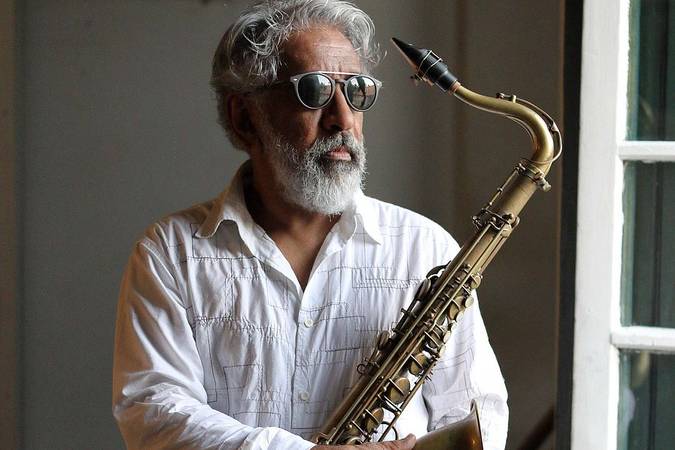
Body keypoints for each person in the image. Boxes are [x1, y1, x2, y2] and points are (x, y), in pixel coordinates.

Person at [112, 1, 508, 449]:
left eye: (357, 90)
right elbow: (156, 416)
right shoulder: (170, 253)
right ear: (245, 117)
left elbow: (478, 416)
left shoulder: (426, 249)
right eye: (314, 90)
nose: (343, 119)